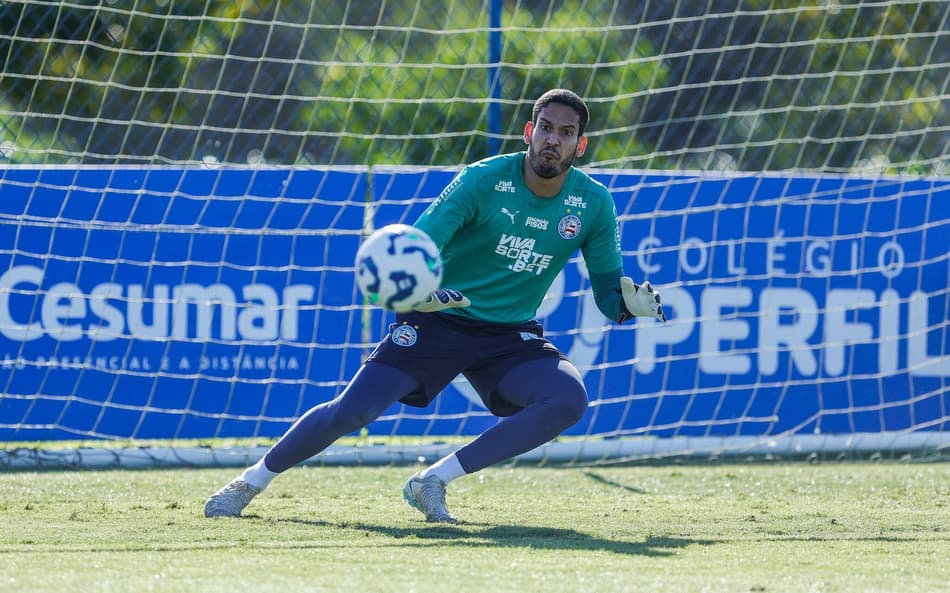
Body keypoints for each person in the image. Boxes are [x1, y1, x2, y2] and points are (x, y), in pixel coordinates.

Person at [204, 88, 667, 523]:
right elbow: (417, 247)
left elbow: (608, 293)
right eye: (545, 127)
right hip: (437, 318)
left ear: (579, 146)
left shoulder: (594, 203)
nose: (553, 140)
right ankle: (248, 483)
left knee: (568, 399)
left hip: (509, 335)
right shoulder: (481, 181)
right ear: (529, 132)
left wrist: (628, 305)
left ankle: (431, 481)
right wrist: (419, 295)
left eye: (565, 133)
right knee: (352, 412)